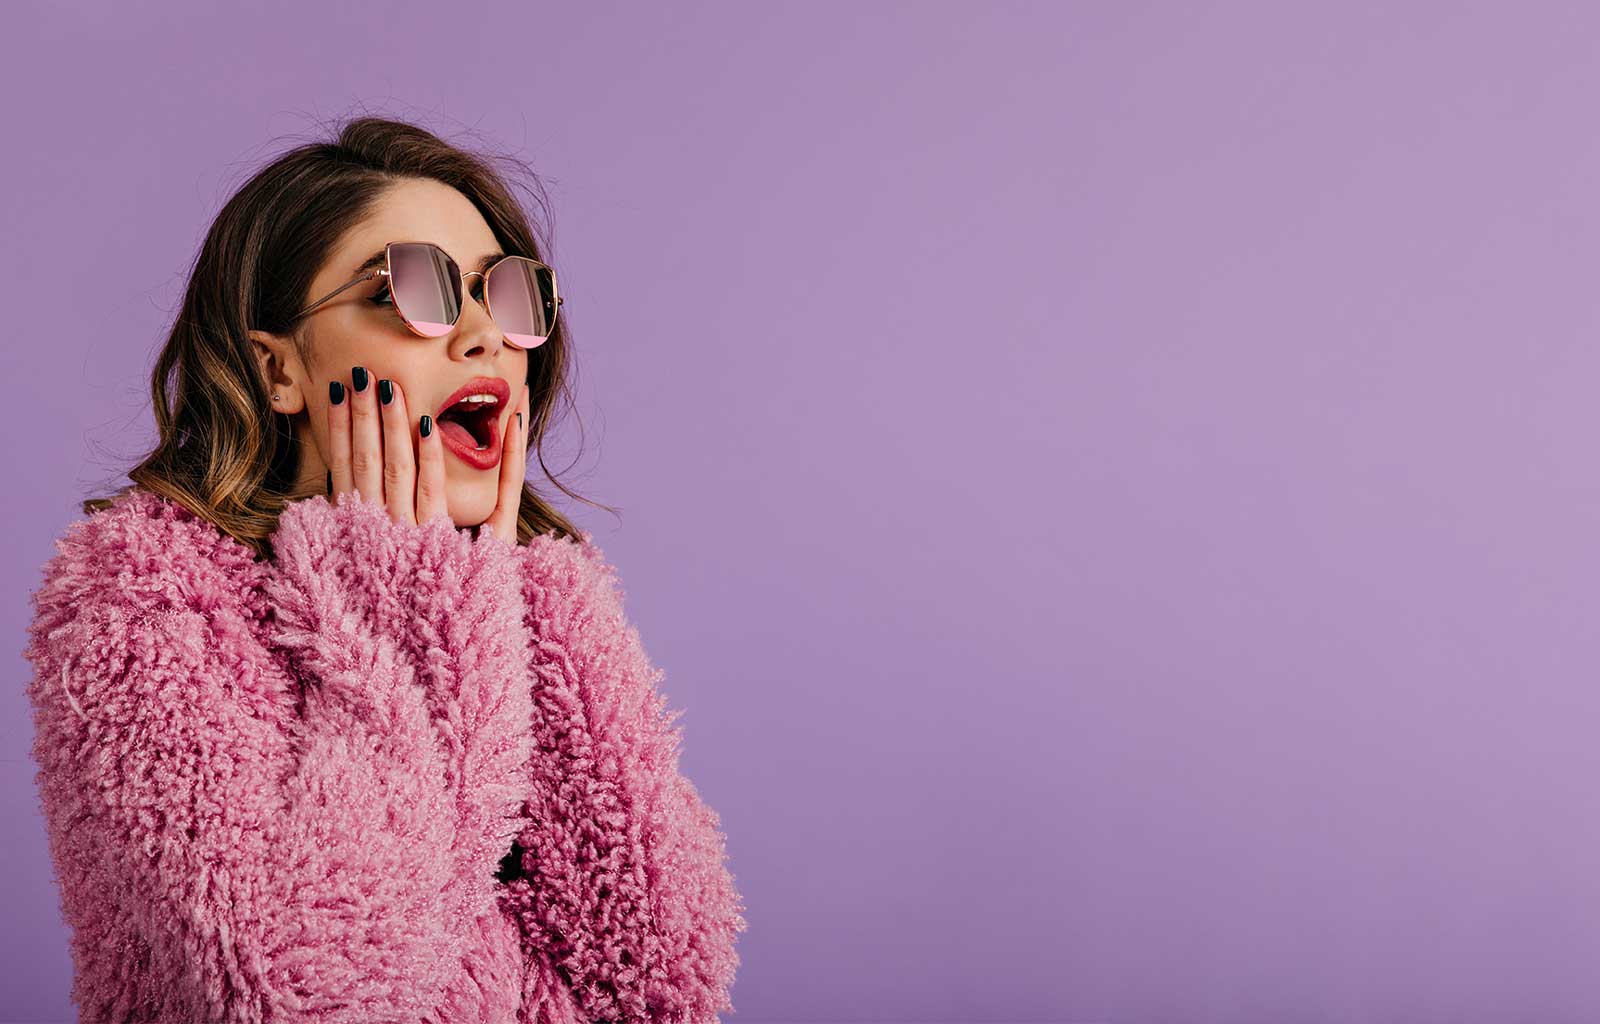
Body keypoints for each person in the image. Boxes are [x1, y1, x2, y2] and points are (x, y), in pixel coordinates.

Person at [22, 115, 746, 1024]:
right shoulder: (142, 601)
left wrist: (519, 602)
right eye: (410, 288)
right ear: (277, 369)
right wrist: (407, 624)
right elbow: (296, 994)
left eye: (505, 293)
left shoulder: (539, 605)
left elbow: (661, 982)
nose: (484, 336)